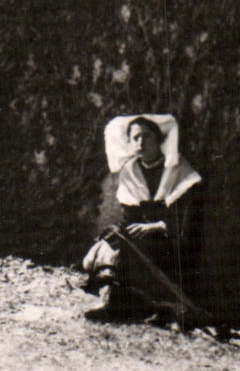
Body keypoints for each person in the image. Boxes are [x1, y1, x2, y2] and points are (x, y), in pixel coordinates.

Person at [81, 114, 205, 324]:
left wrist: (156, 226)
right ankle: (108, 298)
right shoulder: (130, 171)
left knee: (134, 254)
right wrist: (122, 232)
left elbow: (189, 219)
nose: (141, 143)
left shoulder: (178, 169)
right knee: (108, 246)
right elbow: (130, 217)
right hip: (140, 243)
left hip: (171, 244)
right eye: (136, 138)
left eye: (147, 137)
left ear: (159, 140)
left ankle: (159, 305)